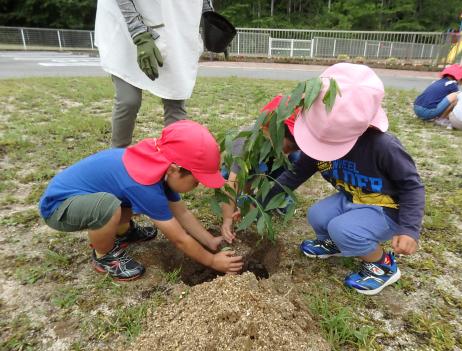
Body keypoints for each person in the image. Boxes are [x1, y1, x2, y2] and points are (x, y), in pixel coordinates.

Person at [266, 63, 425, 295]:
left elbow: (412, 187)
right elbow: (294, 175)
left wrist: (409, 229)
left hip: (387, 209)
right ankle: (338, 243)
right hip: (353, 198)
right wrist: (260, 200)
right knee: (317, 215)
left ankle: (382, 266)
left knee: (342, 229)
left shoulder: (383, 147)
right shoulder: (317, 146)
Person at [39, 120, 244, 281]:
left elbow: (182, 212)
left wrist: (209, 241)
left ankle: (123, 233)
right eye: (196, 180)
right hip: (59, 208)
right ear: (174, 169)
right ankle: (105, 256)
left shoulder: (158, 167)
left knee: (117, 202)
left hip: (82, 199)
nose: (197, 186)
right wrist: (212, 261)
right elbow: (179, 238)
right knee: (108, 206)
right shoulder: (144, 184)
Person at [95, 0, 215, 148]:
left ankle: (173, 161)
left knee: (175, 99)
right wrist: (139, 34)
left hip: (176, 23)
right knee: (128, 100)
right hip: (126, 23)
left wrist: (210, 18)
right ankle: (116, 156)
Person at [220, 95, 300, 243]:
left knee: (295, 159)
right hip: (245, 167)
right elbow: (233, 182)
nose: (290, 150)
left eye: (297, 145)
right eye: (289, 146)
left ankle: (278, 197)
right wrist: (227, 220)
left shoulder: (289, 151)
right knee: (231, 178)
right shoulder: (245, 143)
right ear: (269, 128)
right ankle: (248, 196)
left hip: (268, 169)